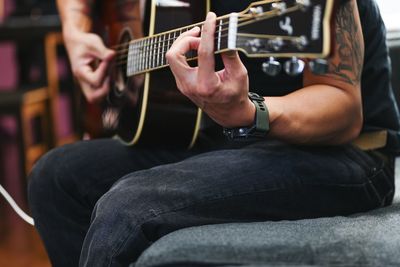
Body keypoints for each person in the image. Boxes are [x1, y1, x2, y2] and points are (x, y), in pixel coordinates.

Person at [28, 0, 400, 266]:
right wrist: (76, 32)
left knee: (129, 207)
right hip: (212, 136)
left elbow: (343, 109)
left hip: (340, 150)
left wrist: (247, 112)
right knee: (55, 176)